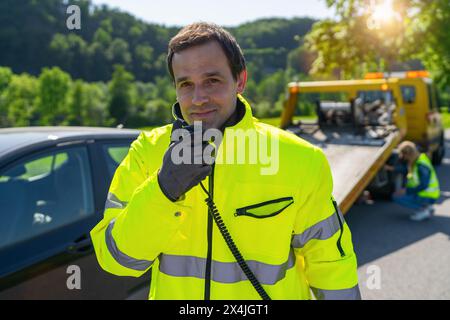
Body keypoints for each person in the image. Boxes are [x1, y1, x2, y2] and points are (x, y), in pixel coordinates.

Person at [90, 22, 360, 300]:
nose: (198, 98)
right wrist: (163, 190)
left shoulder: (301, 159)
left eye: (212, 81)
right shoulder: (147, 152)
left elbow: (330, 264)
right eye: (186, 84)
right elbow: (118, 261)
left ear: (240, 81)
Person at [386, 141, 440, 221]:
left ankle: (424, 209)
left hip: (427, 194)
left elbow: (423, 185)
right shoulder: (418, 159)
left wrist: (406, 191)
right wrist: (391, 168)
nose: (403, 158)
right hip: (427, 194)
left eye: (403, 155)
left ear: (408, 154)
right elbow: (406, 170)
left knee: (396, 196)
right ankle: (427, 206)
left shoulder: (421, 165)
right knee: (399, 194)